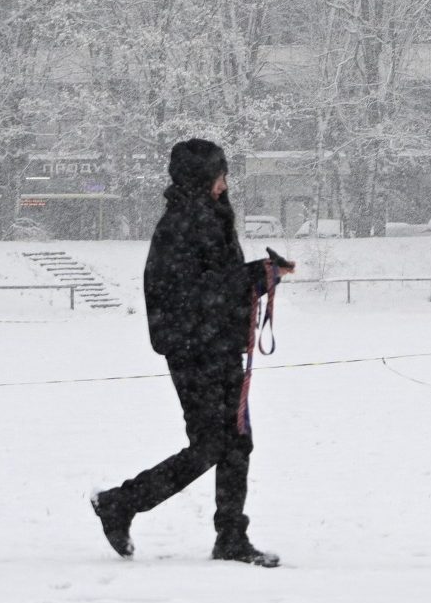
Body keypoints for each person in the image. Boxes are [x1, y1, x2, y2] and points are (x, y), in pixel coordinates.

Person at [91, 139, 295, 567]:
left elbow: (215, 286)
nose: (225, 182)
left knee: (237, 443)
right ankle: (121, 502)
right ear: (202, 178)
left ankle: (231, 539)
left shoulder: (208, 218)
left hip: (215, 346)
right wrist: (256, 276)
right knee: (211, 445)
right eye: (220, 174)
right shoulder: (185, 223)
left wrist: (258, 278)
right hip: (195, 350)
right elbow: (199, 293)